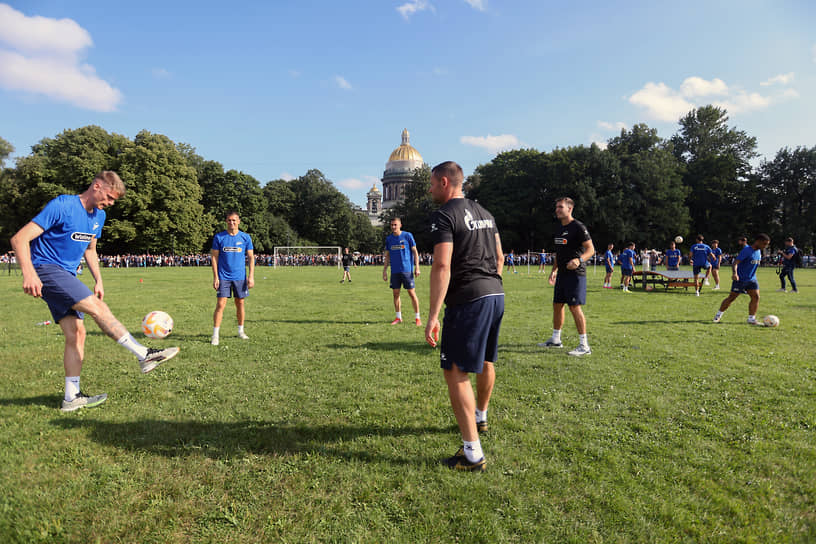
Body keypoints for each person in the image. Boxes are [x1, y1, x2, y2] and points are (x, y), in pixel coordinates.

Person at [9, 171, 180, 412]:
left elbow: (90, 249)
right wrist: (29, 273)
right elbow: (19, 239)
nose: (110, 203)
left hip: (66, 275)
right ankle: (144, 354)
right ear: (96, 186)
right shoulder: (63, 205)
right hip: (47, 269)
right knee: (98, 309)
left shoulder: (99, 216)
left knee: (77, 333)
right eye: (109, 197)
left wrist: (98, 280)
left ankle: (71, 397)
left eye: (113, 200)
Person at [424, 161, 504, 472]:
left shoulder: (444, 215)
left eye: (432, 183)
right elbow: (498, 256)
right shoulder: (485, 212)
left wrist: (433, 315)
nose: (430, 189)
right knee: (485, 361)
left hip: (469, 298)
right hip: (495, 293)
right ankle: (481, 416)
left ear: (445, 182)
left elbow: (442, 266)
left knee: (456, 372)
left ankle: (472, 453)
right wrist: (489, 284)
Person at [539, 197, 595, 355]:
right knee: (557, 305)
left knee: (574, 307)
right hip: (562, 274)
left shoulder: (578, 227)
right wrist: (554, 270)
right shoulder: (558, 228)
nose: (557, 209)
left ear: (569, 209)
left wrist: (579, 260)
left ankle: (584, 346)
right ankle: (556, 339)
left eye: (560, 207)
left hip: (576, 275)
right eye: (556, 207)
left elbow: (591, 250)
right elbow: (559, 252)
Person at [211, 211, 255, 346]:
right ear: (226, 221)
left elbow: (251, 257)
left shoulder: (245, 237)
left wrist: (251, 276)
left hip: (240, 277)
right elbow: (214, 257)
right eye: (229, 220)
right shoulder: (219, 237)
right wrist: (215, 277)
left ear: (239, 221)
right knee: (220, 305)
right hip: (223, 277)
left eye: (234, 220)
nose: (232, 223)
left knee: (240, 303)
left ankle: (241, 331)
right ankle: (215, 335)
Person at [713, 233, 771, 325]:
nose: (765, 246)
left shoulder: (759, 252)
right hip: (740, 279)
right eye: (764, 243)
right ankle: (718, 315)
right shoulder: (747, 250)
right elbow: (735, 263)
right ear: (758, 241)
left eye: (767, 244)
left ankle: (751, 319)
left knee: (756, 297)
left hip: (752, 279)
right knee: (732, 298)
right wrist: (735, 273)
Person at [383, 217, 421, 325]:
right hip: (394, 271)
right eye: (392, 225)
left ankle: (417, 318)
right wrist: (384, 270)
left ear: (400, 225)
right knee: (395, 294)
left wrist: (417, 267)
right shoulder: (389, 239)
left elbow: (415, 252)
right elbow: (387, 256)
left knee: (411, 293)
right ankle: (398, 317)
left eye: (395, 225)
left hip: (407, 270)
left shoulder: (407, 236)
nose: (393, 227)